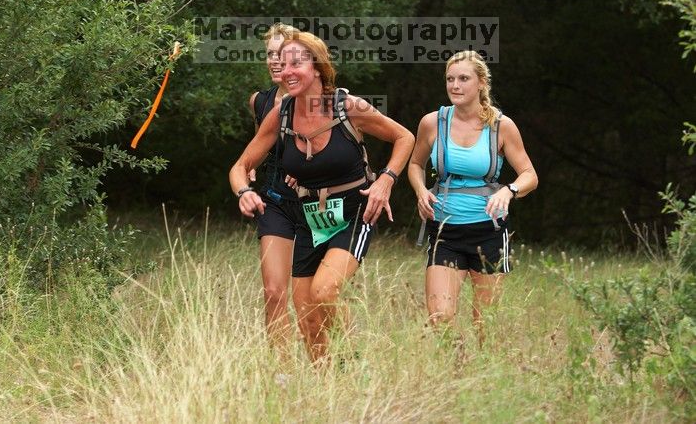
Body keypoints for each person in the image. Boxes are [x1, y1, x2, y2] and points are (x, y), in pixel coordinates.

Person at [230, 31, 414, 363]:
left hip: (352, 213)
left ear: (317, 67)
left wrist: (386, 181)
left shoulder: (347, 106)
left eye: (296, 63)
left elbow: (404, 136)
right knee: (307, 318)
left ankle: (351, 358)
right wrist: (244, 190)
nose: (286, 71)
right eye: (282, 64)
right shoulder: (282, 113)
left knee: (324, 291)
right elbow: (240, 166)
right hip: (308, 217)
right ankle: (329, 380)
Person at [407, 50, 538, 346]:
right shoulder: (433, 122)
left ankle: (484, 379)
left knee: (485, 326)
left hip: (488, 231)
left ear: (480, 83)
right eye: (450, 79)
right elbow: (415, 164)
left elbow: (530, 175)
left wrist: (509, 189)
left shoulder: (501, 126)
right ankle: (456, 368)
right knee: (440, 317)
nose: (455, 85)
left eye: (463, 79)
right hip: (445, 231)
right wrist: (420, 190)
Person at [247, 23, 300, 351]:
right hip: (276, 201)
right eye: (270, 54)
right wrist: (249, 170)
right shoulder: (259, 101)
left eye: (283, 55)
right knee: (274, 291)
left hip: (319, 204)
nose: (276, 61)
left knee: (316, 294)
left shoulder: (319, 99)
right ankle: (281, 371)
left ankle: (336, 361)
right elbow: (259, 146)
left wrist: (310, 169)